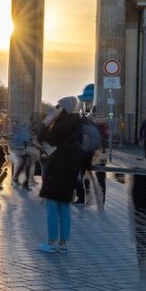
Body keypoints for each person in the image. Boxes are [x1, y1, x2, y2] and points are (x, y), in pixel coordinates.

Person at [36, 96, 81, 254]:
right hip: (71, 170)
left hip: (58, 169)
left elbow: (43, 138)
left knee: (52, 207)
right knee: (64, 207)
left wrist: (46, 122)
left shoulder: (62, 125)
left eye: (58, 106)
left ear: (64, 108)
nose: (55, 108)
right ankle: (63, 244)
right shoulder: (77, 124)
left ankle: (51, 243)